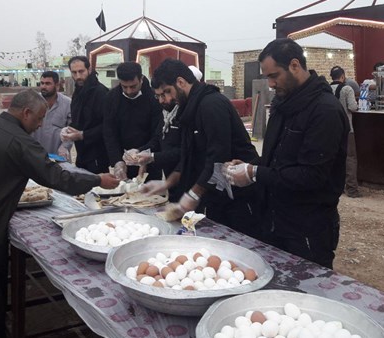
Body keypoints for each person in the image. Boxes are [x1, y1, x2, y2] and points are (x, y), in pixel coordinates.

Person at [0, 89, 119, 338]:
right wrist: (98, 179)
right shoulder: (20, 142)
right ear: (26, 113)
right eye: (39, 119)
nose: (40, 125)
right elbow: (57, 177)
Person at [225, 39, 349, 269]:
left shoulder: (325, 111)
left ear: (294, 65)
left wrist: (255, 173)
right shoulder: (283, 105)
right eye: (267, 78)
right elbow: (277, 161)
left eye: (274, 76)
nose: (270, 84)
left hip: (307, 230)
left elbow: (311, 176)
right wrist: (251, 165)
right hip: (274, 221)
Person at [143, 59, 259, 235]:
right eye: (159, 95)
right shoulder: (189, 108)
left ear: (181, 82)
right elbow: (188, 154)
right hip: (215, 192)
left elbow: (218, 158)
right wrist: (167, 182)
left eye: (167, 92)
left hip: (237, 195)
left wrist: (193, 195)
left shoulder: (211, 104)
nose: (165, 100)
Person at [103, 62, 163, 181]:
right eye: (124, 87)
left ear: (141, 79)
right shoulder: (112, 98)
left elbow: (158, 133)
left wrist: (143, 152)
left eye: (133, 86)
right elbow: (109, 132)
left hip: (150, 162)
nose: (129, 91)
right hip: (123, 162)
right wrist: (117, 161)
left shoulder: (154, 97)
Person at [61, 56, 109, 173]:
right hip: (81, 154)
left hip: (98, 156)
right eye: (74, 72)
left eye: (81, 71)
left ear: (89, 69)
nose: (78, 76)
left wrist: (83, 135)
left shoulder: (101, 93)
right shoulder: (78, 92)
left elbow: (108, 126)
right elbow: (78, 120)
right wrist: (68, 129)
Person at [330, 65, 360, 198]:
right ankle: (352, 190)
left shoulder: (327, 89)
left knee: (334, 157)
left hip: (330, 130)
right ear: (342, 76)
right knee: (350, 158)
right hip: (347, 129)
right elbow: (353, 107)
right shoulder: (347, 88)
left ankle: (337, 186)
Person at [32, 71, 71, 154]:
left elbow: (72, 129)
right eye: (42, 83)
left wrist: (65, 147)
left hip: (59, 156)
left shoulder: (67, 104)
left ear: (57, 86)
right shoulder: (32, 101)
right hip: (35, 155)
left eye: (47, 83)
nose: (43, 86)